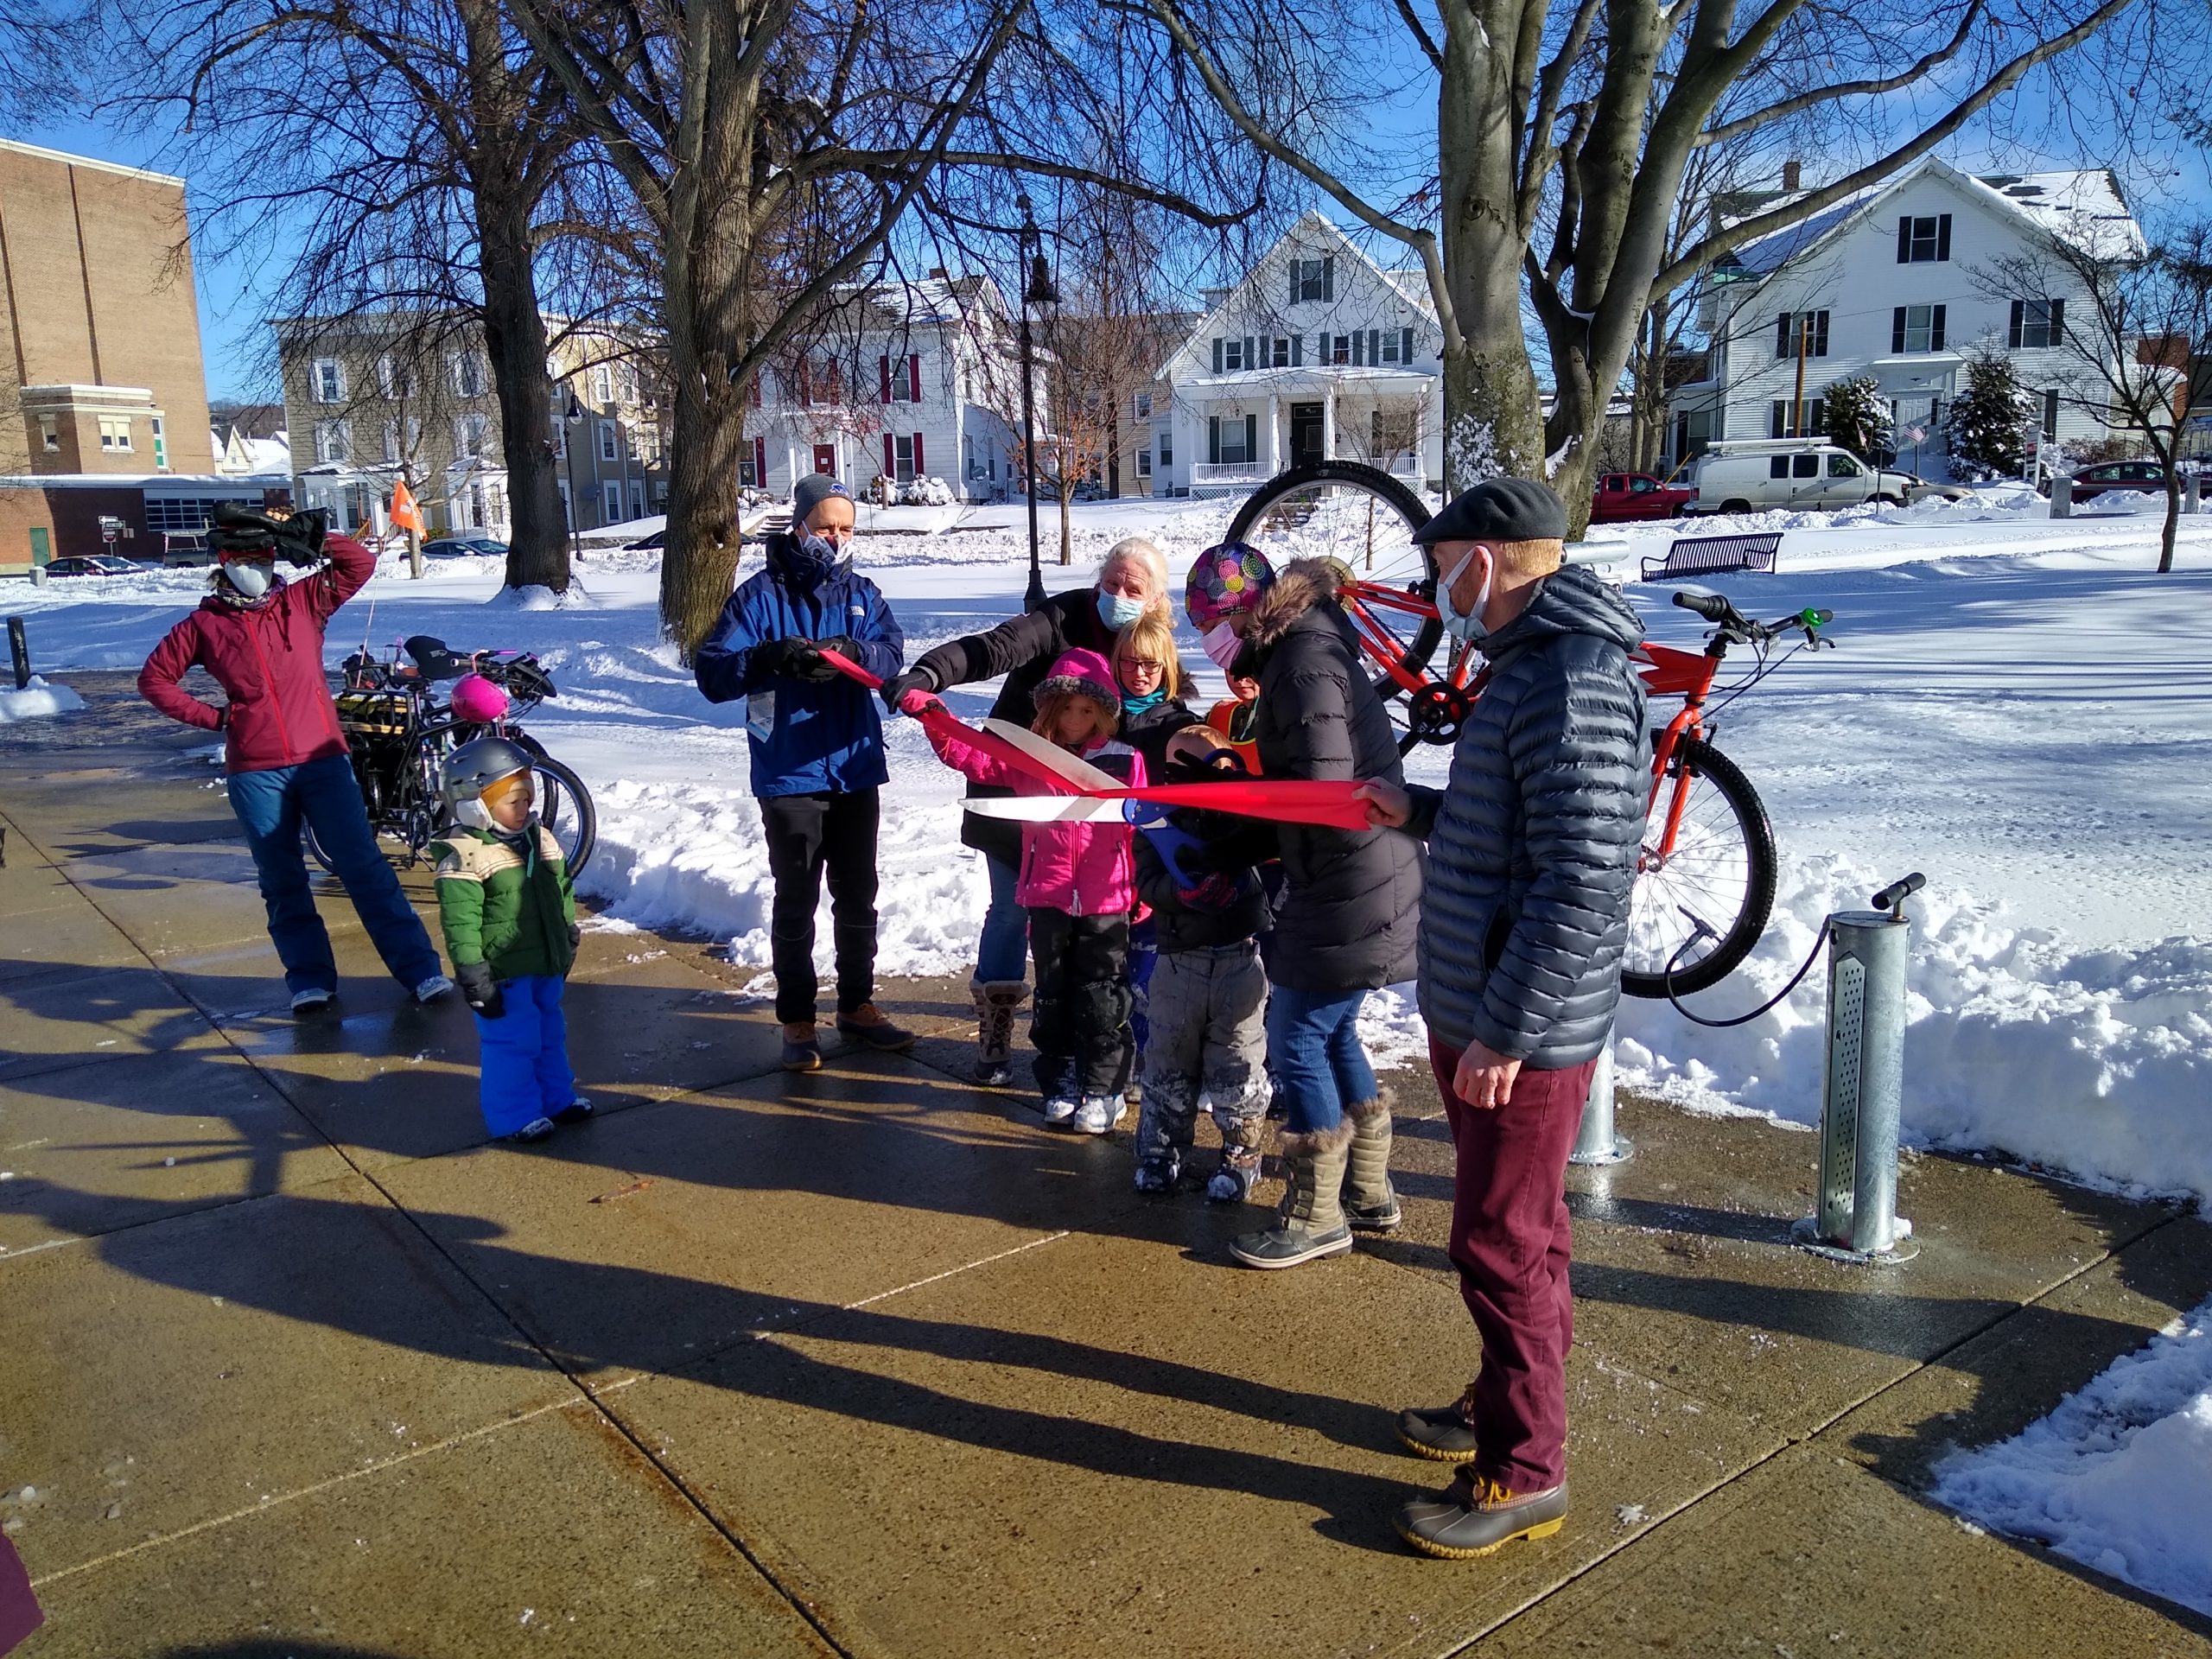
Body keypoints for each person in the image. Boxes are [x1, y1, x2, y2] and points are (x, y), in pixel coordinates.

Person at [1355, 478, 1648, 1560]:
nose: (1437, 591)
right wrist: (1420, 809)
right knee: (1528, 1232)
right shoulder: (1527, 666)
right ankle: (1500, 1405)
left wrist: (1508, 1033)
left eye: (1442, 569)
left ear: (1485, 561)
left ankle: (1526, 1470)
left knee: (1498, 1242)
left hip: (1516, 1026)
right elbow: (1519, 829)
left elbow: (1582, 882)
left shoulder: (1572, 680)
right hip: (1485, 1005)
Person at [1183, 541, 1421, 1270]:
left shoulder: (1301, 661)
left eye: (1211, 623)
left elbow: (1323, 792)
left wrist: (1231, 803)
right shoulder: (1302, 649)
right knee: (1332, 1030)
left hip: (1349, 876)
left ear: (1244, 611)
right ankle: (1367, 1191)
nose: (1209, 640)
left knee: (1295, 1036)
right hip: (1361, 871)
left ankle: (1317, 1214)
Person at [880, 536, 1171, 1087]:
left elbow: (1165, 716)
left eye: (1133, 588)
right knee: (1013, 912)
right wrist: (930, 675)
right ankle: (996, 1025)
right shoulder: (1062, 618)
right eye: (1110, 583)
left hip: (1099, 825)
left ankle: (1105, 1050)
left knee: (1100, 939)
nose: (1118, 595)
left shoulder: (1149, 647)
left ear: (1156, 599)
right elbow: (996, 647)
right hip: (1019, 786)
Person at [137, 505, 450, 1015]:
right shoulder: (203, 626)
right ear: (223, 563)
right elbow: (154, 680)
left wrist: (302, 535)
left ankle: (420, 970)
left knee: (364, 867)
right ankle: (309, 979)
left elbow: (359, 565)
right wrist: (215, 718)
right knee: (282, 880)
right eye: (244, 560)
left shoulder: (303, 602)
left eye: (263, 558)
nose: (254, 568)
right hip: (255, 771)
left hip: (322, 759)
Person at [694, 474, 912, 1072]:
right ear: (799, 527)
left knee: (858, 895)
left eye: (846, 528)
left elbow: (891, 656)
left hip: (854, 766)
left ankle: (857, 1004)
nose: (836, 537)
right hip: (790, 772)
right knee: (796, 899)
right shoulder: (758, 597)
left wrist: (856, 654)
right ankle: (797, 1018)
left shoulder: (863, 594)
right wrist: (768, 658)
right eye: (825, 527)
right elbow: (713, 673)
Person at [909, 648, 1144, 1132]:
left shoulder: (1126, 760)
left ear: (1103, 712)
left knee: (1103, 998)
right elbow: (972, 756)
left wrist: (1139, 888)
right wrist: (933, 715)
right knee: (1053, 994)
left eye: (1087, 710)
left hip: (1106, 900)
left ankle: (1104, 1090)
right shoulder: (1031, 759)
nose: (1075, 719)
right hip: (1048, 895)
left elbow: (1138, 830)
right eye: (1066, 708)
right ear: (1049, 710)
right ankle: (1060, 1082)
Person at [1128, 725, 1271, 1200]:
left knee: (1238, 1061)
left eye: (1208, 764)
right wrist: (1181, 893)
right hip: (1178, 961)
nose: (1190, 777)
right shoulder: (1156, 820)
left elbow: (1265, 835)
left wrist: (1231, 797)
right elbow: (1148, 881)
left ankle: (1241, 1152)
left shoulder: (1241, 812)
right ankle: (1160, 1150)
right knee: (1168, 1058)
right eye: (1177, 767)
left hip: (1238, 960)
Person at [432, 737, 592, 1143]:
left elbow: (561, 890)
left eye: (528, 799)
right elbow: (460, 924)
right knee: (512, 1044)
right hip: (503, 972)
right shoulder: (466, 856)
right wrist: (473, 974)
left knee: (550, 1035)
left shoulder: (541, 840)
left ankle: (557, 1098)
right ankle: (514, 1116)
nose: (524, 809)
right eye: (513, 802)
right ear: (475, 806)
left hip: (544, 963)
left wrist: (567, 932)